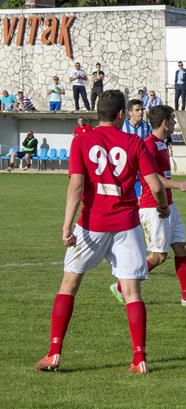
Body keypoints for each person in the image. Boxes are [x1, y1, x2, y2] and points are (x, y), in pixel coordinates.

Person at [35, 89, 168, 374]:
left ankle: (54, 353)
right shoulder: (134, 141)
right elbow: (156, 185)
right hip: (127, 225)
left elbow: (76, 185)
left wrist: (66, 225)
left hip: (91, 224)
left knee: (69, 284)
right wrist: (163, 207)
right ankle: (139, 358)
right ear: (121, 114)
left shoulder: (82, 140)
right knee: (131, 292)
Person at [110, 105, 186, 307]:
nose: (174, 123)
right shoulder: (148, 145)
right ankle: (121, 287)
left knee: (182, 247)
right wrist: (179, 185)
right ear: (165, 123)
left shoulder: (161, 144)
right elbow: (153, 178)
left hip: (168, 204)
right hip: (154, 206)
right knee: (158, 256)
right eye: (172, 120)